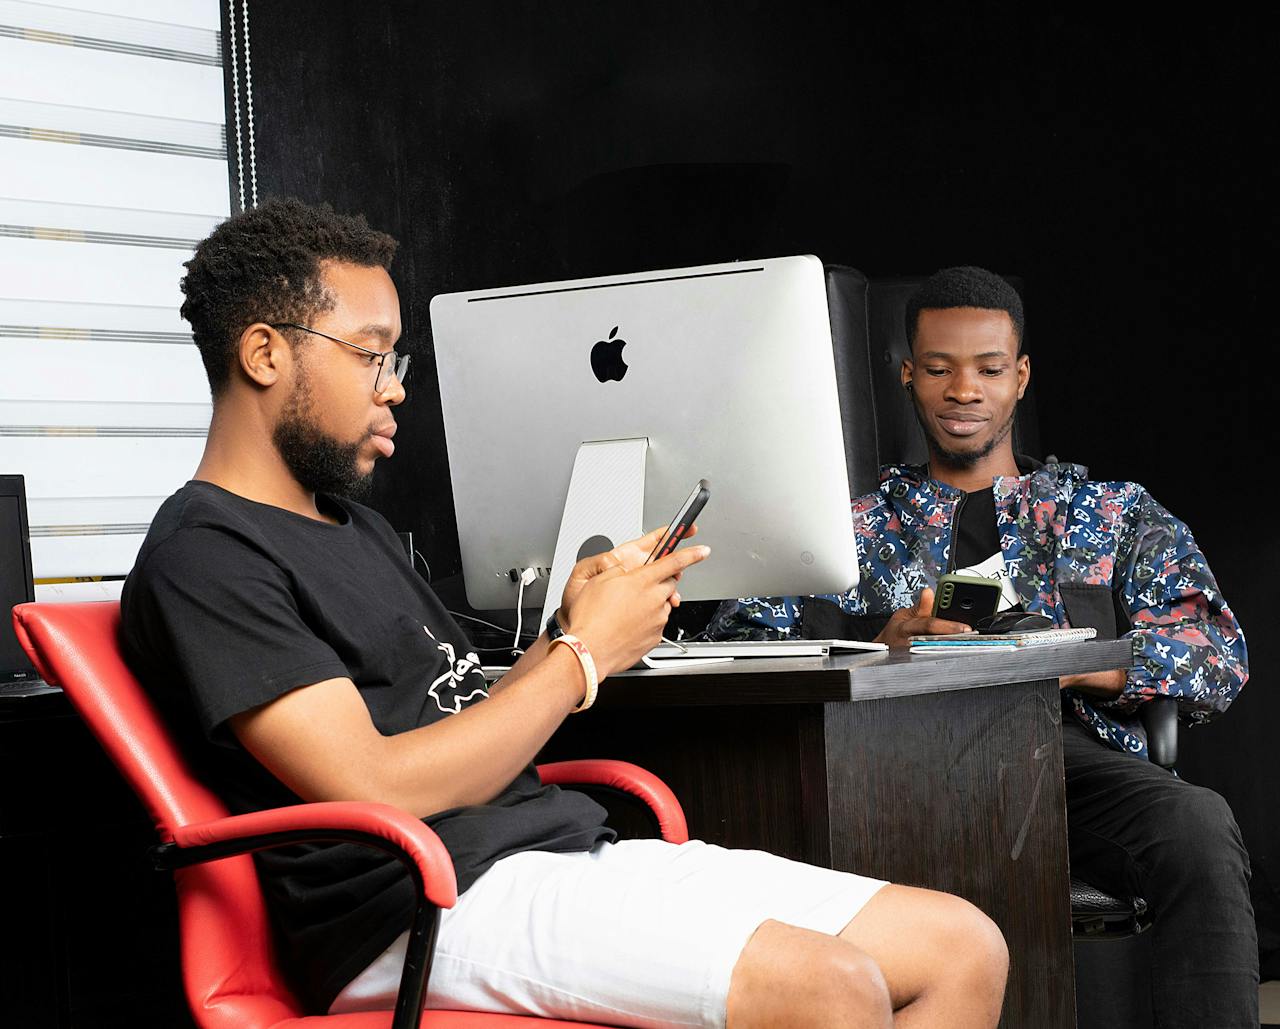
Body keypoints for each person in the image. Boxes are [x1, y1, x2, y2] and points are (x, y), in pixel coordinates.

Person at [120, 200, 1007, 1028]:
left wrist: (575, 625)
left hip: (546, 853)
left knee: (960, 948)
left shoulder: (357, 529)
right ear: (266, 353)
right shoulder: (208, 553)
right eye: (368, 352)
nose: (394, 388)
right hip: (417, 903)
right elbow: (370, 784)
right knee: (831, 986)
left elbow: (463, 702)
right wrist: (579, 655)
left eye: (398, 360)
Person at [710, 265, 1257, 1027]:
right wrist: (880, 642)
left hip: (1063, 761)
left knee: (1196, 824)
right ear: (908, 374)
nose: (963, 389)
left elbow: (1215, 648)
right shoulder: (846, 528)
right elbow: (730, 642)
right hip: (886, 770)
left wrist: (1065, 661)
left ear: (1021, 376)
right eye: (938, 368)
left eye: (989, 369)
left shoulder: (1109, 512)